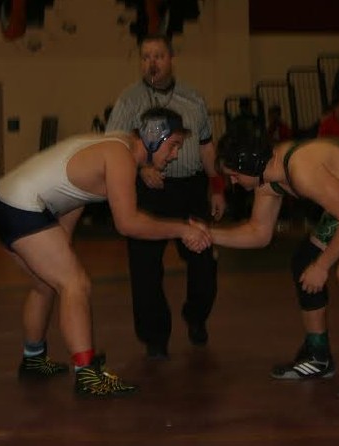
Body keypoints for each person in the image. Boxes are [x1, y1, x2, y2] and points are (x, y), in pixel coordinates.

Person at [0, 107, 211, 397]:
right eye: (174, 145)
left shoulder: (112, 146)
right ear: (156, 136)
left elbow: (72, 196)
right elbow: (128, 223)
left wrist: (61, 246)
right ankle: (87, 374)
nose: (175, 154)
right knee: (75, 284)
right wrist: (182, 230)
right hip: (22, 205)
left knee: (45, 284)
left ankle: (33, 358)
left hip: (4, 201)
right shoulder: (120, 156)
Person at [202, 127, 339, 400]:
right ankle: (318, 354)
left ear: (250, 164)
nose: (233, 182)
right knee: (304, 260)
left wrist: (322, 267)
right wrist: (209, 235)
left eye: (234, 174)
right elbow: (259, 233)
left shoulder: (301, 169)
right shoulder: (267, 180)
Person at [106, 33, 226, 359]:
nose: (152, 63)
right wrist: (141, 168)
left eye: (158, 56)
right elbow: (113, 147)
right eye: (145, 57)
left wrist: (217, 187)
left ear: (171, 59)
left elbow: (206, 146)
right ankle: (155, 337)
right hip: (150, 190)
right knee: (145, 269)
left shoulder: (193, 98)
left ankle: (196, 316)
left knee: (204, 261)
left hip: (190, 189)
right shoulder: (129, 101)